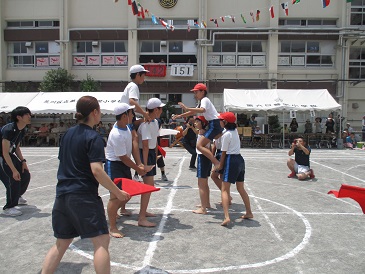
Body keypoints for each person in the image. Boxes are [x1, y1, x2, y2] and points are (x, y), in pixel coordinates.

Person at [41, 96, 130, 274]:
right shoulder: (93, 137)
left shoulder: (67, 135)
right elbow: (97, 170)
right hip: (83, 196)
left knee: (61, 242)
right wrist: (117, 192)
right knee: (101, 242)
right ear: (94, 112)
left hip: (62, 196)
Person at [104, 103, 148, 238]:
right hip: (115, 165)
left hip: (123, 165)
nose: (133, 116)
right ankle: (112, 227)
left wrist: (139, 164)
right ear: (124, 116)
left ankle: (114, 213)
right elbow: (122, 157)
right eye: (131, 114)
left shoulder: (127, 127)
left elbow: (133, 146)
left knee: (128, 193)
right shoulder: (116, 134)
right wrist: (138, 168)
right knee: (116, 196)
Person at [173, 83, 223, 170]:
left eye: (196, 92)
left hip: (214, 124)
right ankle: (214, 161)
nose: (195, 94)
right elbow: (193, 112)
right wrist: (180, 115)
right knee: (204, 145)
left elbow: (202, 110)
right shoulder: (202, 101)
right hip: (213, 124)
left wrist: (187, 108)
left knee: (199, 145)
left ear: (202, 92)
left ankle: (216, 162)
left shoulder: (205, 100)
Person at [216, 112, 253, 226]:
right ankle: (249, 212)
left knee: (224, 189)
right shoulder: (235, 131)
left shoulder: (226, 135)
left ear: (225, 122)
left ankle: (227, 217)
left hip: (230, 160)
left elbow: (223, 153)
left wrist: (220, 165)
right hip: (240, 159)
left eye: (221, 120)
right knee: (241, 188)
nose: (219, 122)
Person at [137, 98, 165, 227]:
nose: (162, 110)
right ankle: (141, 217)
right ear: (155, 109)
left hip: (150, 155)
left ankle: (143, 212)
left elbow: (154, 141)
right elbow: (145, 145)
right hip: (145, 154)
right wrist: (144, 164)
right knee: (148, 186)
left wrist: (155, 156)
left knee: (149, 186)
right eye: (160, 108)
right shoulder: (146, 124)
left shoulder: (154, 122)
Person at [121, 64, 150, 182]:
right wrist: (144, 113)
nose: (144, 78)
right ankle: (139, 164)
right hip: (126, 116)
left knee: (134, 136)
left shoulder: (130, 85)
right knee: (135, 137)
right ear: (138, 75)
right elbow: (132, 102)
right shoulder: (134, 86)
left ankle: (138, 164)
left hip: (128, 116)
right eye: (143, 75)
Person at [0, 106, 31, 217]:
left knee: (25, 174)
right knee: (13, 179)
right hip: (2, 156)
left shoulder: (22, 129)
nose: (29, 116)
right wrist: (13, 170)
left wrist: (23, 161)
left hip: (9, 155)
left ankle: (17, 196)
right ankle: (9, 207)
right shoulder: (8, 130)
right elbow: (4, 152)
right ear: (19, 117)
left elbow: (16, 147)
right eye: (27, 114)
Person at [192, 116, 212, 214]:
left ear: (203, 123)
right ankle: (206, 203)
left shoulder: (203, 133)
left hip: (203, 158)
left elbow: (205, 147)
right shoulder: (203, 132)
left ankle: (203, 208)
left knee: (201, 184)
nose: (195, 123)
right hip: (205, 158)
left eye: (197, 121)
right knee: (205, 183)